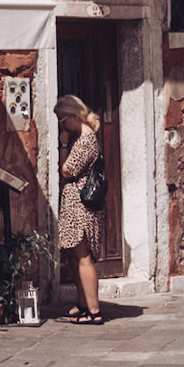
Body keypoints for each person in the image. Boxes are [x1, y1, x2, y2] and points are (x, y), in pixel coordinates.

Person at [54, 93, 104, 325]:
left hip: (81, 207)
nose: (62, 127)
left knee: (84, 257)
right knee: (75, 256)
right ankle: (83, 304)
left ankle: (94, 311)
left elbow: (67, 170)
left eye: (63, 122)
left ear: (73, 116)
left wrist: (63, 143)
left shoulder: (85, 140)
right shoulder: (80, 138)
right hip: (75, 204)